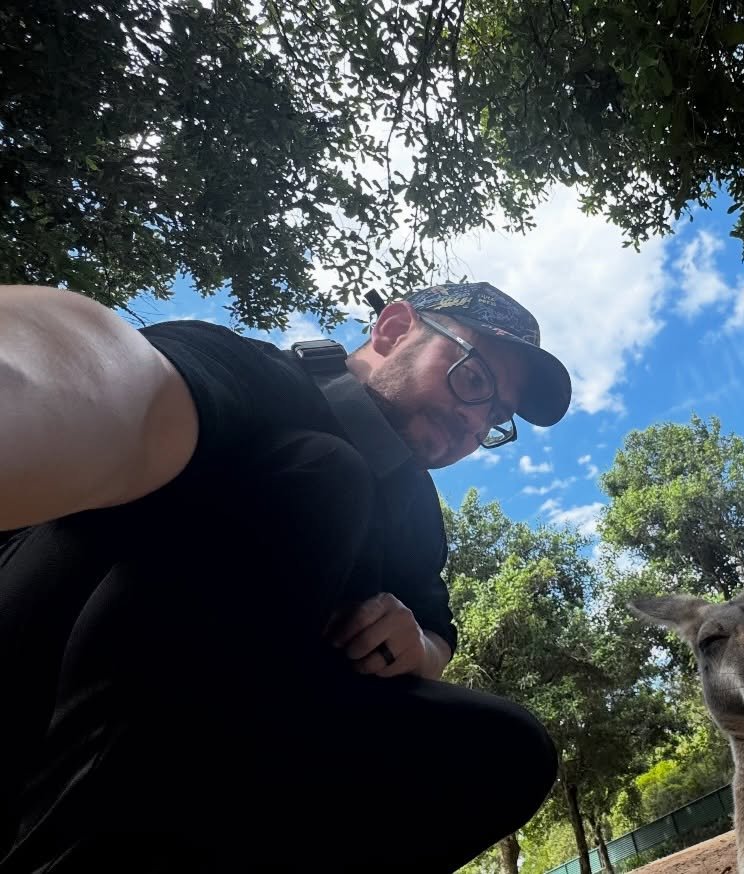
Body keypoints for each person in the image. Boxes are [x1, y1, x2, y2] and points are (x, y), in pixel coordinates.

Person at [0, 282, 571, 872]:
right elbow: (111, 381)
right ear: (394, 329)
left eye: (496, 417)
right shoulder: (261, 378)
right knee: (325, 475)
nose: (473, 424)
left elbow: (435, 626)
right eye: (474, 379)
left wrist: (416, 646)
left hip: (229, 751)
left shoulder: (416, 510)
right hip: (37, 700)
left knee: (507, 752)